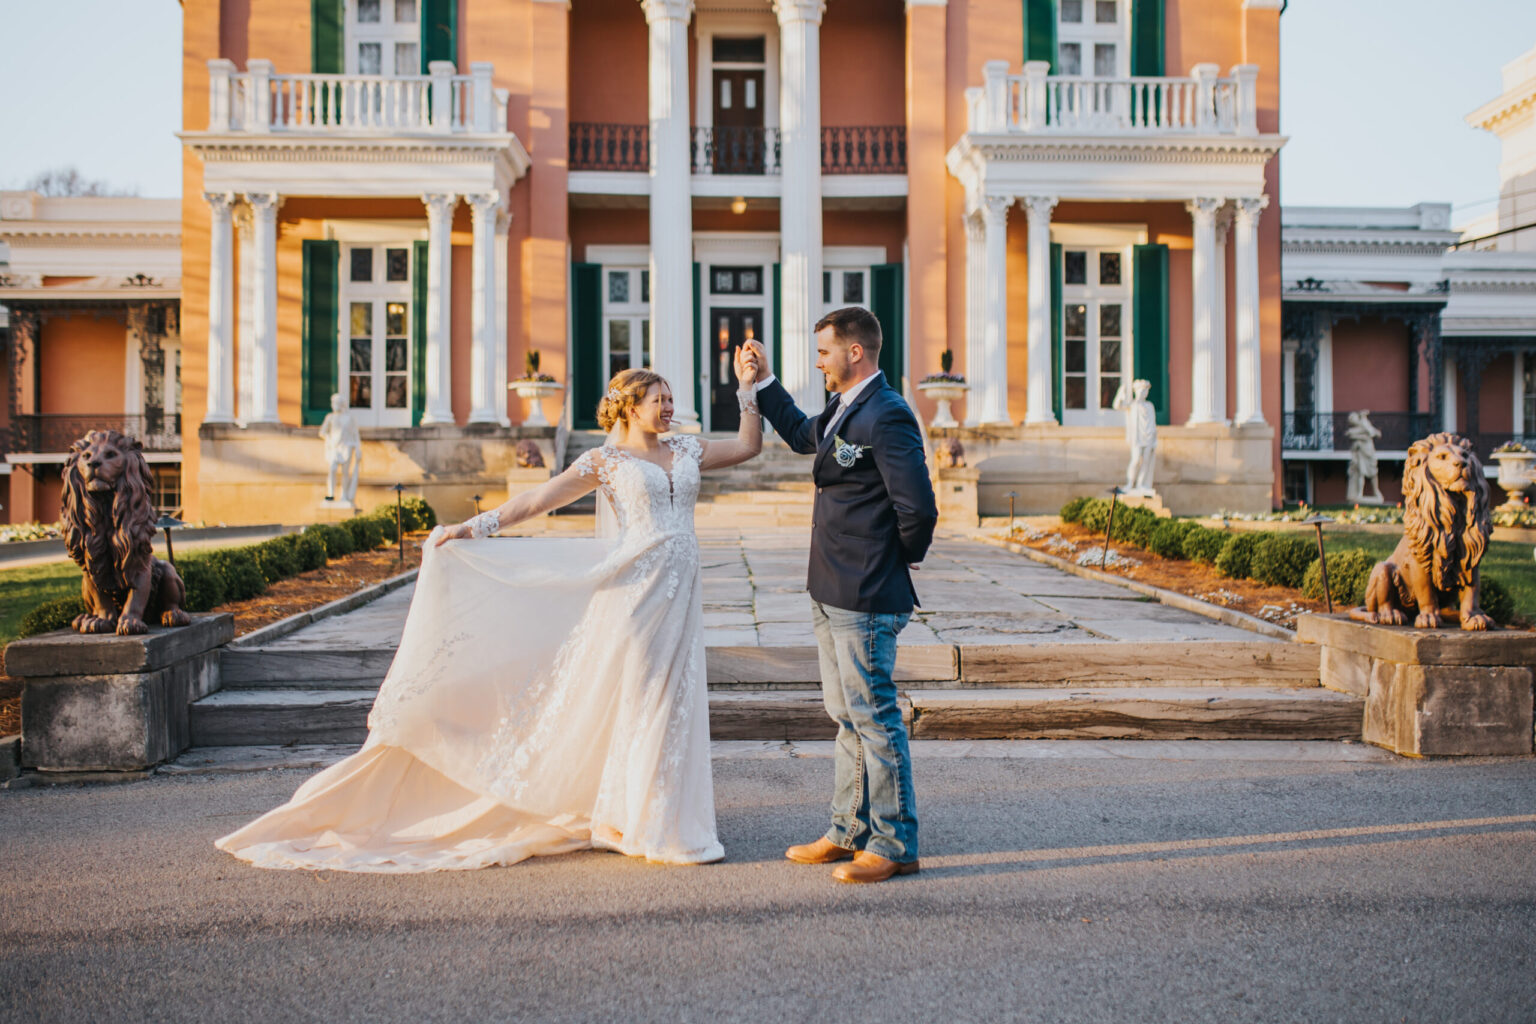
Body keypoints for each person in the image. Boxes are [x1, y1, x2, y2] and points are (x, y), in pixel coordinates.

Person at [215, 359, 763, 871]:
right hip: (633, 594)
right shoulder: (605, 461)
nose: (668, 408)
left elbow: (746, 446)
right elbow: (537, 501)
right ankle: (644, 820)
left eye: (669, 399)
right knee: (644, 696)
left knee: (676, 700)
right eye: (658, 399)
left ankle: (659, 816)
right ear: (628, 407)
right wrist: (470, 528)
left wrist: (746, 388)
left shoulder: (687, 450)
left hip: (681, 592)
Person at [739, 307, 938, 884]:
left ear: (855, 352)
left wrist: (891, 558)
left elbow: (918, 508)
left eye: (824, 350)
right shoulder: (844, 406)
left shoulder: (888, 414)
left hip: (867, 590)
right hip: (829, 585)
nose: (818, 360)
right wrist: (763, 383)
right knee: (845, 716)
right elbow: (805, 437)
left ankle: (895, 843)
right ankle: (847, 831)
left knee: (874, 717)